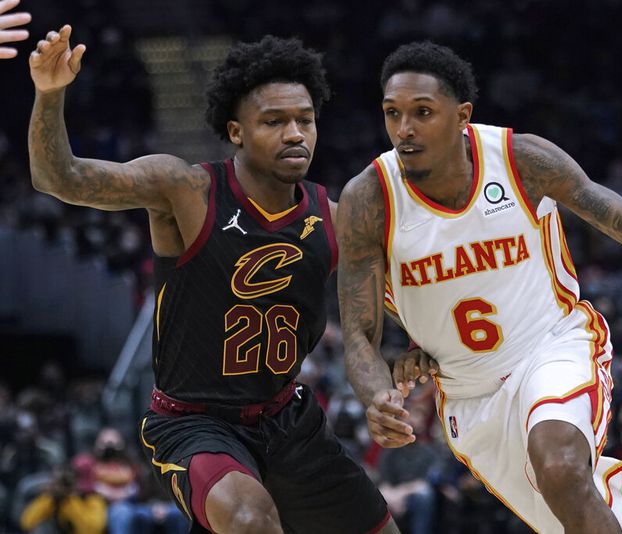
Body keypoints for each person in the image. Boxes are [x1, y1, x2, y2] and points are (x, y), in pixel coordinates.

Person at [336, 41, 622, 533]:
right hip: (470, 396)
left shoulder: (520, 161)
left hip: (550, 348)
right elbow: (358, 332)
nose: (405, 129)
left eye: (422, 112)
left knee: (560, 466)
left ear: (462, 115)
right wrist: (377, 395)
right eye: (392, 113)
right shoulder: (369, 200)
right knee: (588, 515)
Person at [28, 25, 398, 534]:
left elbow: (402, 300)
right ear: (236, 131)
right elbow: (60, 178)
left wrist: (415, 360)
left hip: (289, 421)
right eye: (274, 121)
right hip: (194, 423)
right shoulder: (185, 189)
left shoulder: (332, 219)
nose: (295, 133)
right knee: (249, 519)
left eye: (305, 120)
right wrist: (49, 95)